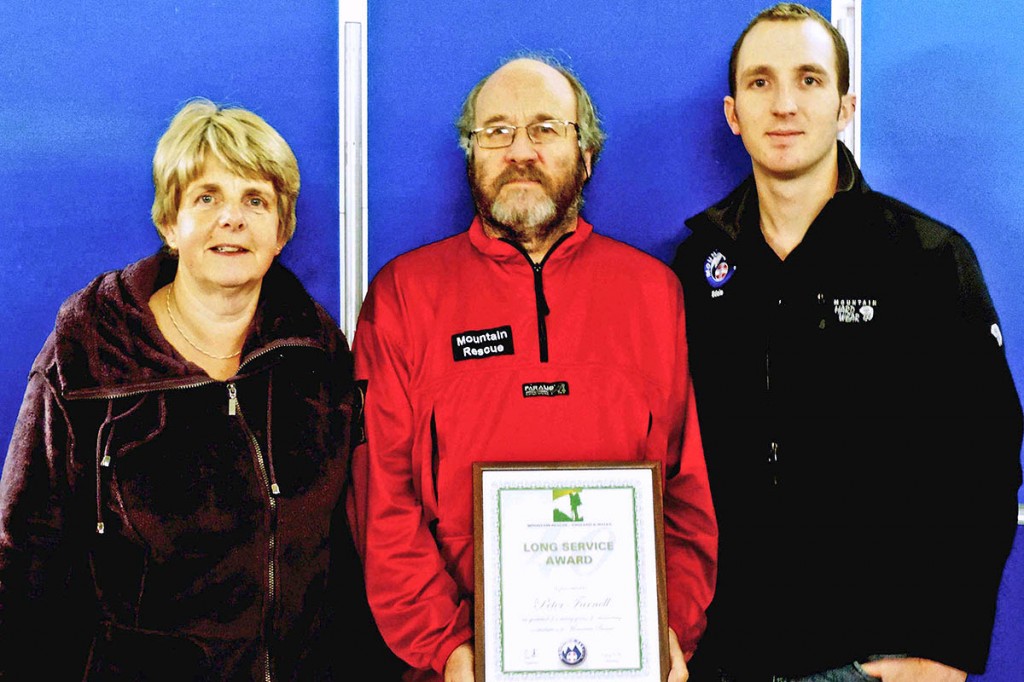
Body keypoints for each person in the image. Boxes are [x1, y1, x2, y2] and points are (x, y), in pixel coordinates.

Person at [671, 4, 1023, 681]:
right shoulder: (697, 268)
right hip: (722, 652)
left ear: (844, 106)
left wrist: (945, 641)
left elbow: (984, 460)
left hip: (872, 658)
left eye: (808, 80)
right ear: (732, 113)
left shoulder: (927, 259)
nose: (783, 105)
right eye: (760, 82)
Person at [0, 98, 400, 680]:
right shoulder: (89, 352)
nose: (231, 219)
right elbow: (26, 553)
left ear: (282, 229)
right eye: (206, 197)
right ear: (170, 221)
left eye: (254, 200)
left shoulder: (317, 356)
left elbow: (346, 546)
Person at [348, 55, 718, 682]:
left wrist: (667, 632)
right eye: (496, 131)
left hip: (623, 663)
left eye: (546, 128)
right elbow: (384, 501)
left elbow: (686, 496)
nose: (520, 151)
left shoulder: (654, 293)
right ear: (471, 155)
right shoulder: (404, 297)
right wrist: (448, 650)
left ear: (587, 152)